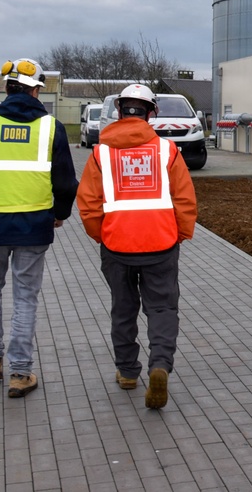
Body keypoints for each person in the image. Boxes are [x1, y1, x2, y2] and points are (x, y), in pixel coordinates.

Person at [0, 57, 78, 398]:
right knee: (26, 297)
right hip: (35, 225)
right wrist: (60, 213)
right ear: (36, 89)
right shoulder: (52, 127)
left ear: (7, 88)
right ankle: (20, 374)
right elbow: (66, 182)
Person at [75, 84, 197, 409]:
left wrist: (102, 235)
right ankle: (159, 365)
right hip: (161, 245)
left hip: (117, 247)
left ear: (118, 110)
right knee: (162, 308)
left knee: (123, 307)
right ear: (151, 113)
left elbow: (87, 203)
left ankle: (128, 372)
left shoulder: (100, 154)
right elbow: (185, 199)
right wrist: (180, 234)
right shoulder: (166, 151)